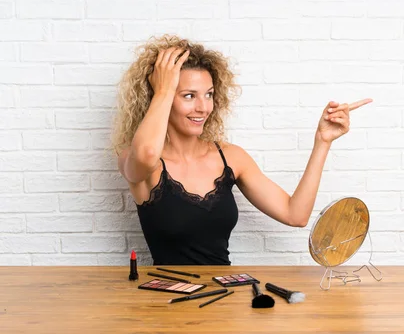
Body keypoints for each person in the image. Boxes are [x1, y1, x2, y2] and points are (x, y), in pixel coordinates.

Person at [111, 34, 371, 265]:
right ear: (160, 96)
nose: (203, 107)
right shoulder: (137, 162)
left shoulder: (231, 157)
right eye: (189, 96)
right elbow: (146, 153)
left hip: (225, 299)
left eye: (209, 94)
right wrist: (164, 88)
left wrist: (322, 141)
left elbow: (296, 214)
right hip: (165, 302)